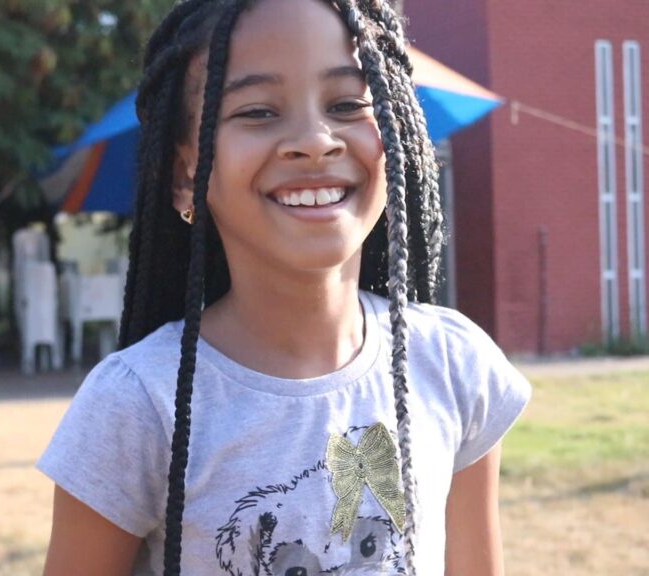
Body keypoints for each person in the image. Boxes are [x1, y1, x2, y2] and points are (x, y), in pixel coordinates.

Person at [39, 0, 531, 574]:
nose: (316, 140)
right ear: (184, 174)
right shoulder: (136, 405)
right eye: (257, 111)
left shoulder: (453, 365)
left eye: (347, 104)